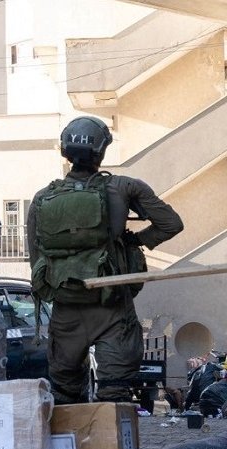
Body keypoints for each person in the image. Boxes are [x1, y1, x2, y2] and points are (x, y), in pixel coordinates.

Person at [28, 116, 184, 404]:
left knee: (65, 397)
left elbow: (36, 260)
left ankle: (72, 447)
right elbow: (171, 224)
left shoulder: (41, 199)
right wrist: (134, 240)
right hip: (113, 307)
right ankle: (112, 447)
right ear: (101, 152)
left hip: (66, 311)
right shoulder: (124, 188)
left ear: (65, 150)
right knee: (114, 395)